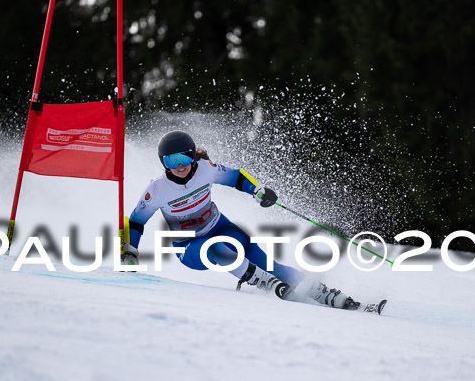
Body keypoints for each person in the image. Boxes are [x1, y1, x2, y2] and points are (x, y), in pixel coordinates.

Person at [122, 130, 374, 311]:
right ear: (163, 163)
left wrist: (258, 190)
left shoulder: (205, 169)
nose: (180, 166)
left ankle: (322, 293)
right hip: (189, 248)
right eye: (171, 161)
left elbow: (236, 177)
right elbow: (136, 220)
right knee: (215, 249)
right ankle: (263, 281)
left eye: (185, 158)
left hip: (221, 227)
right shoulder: (156, 190)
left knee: (266, 261)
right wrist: (130, 250)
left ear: (192, 156)